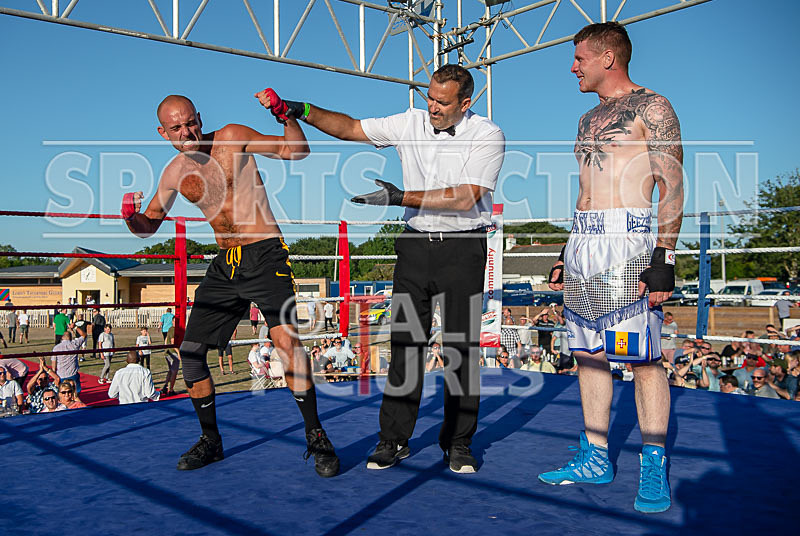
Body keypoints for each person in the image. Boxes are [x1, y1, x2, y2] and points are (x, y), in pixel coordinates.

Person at [285, 64, 505, 473]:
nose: (432, 106)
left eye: (442, 101)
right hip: (415, 247)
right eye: (429, 97)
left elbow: (467, 196)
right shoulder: (410, 121)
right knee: (405, 346)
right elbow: (349, 128)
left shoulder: (488, 134)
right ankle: (393, 440)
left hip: (464, 247)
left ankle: (458, 442)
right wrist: (301, 109)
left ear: (465, 102)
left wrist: (400, 196)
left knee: (460, 350)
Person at [121, 91, 337, 476]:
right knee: (190, 352)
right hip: (226, 263)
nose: (187, 132)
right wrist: (129, 216)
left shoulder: (232, 137)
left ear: (200, 117)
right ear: (162, 132)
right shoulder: (173, 173)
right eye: (176, 127)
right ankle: (211, 441)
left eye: (191, 122)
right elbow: (148, 225)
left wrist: (285, 115)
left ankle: (316, 435)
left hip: (265, 253)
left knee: (286, 341)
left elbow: (296, 150)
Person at [540, 22, 684, 514]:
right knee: (588, 354)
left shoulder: (653, 107)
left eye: (579, 57)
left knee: (642, 358)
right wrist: (566, 249)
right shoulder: (586, 118)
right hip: (584, 240)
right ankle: (596, 456)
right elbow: (586, 188)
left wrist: (664, 256)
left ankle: (653, 461)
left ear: (607, 57)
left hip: (630, 238)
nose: (573, 66)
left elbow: (672, 182)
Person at [51, 326, 87, 393]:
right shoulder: (74, 344)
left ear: (62, 338)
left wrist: (55, 377)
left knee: (63, 395)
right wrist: (75, 327)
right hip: (73, 374)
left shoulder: (56, 348)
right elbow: (84, 335)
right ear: (71, 337)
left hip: (61, 375)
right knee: (76, 394)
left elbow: (53, 365)